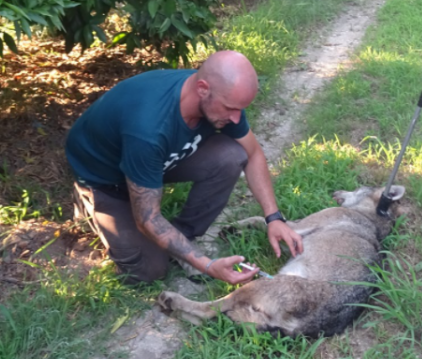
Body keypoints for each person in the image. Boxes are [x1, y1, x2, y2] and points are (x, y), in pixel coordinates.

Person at [66, 50, 303, 285]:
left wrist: (274, 218)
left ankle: (185, 236)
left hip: (153, 161)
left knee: (232, 154)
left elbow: (253, 153)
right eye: (230, 108)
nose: (236, 119)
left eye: (240, 109)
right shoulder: (149, 129)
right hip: (106, 178)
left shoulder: (219, 98)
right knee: (148, 270)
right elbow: (147, 219)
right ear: (202, 89)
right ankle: (90, 203)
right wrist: (208, 266)